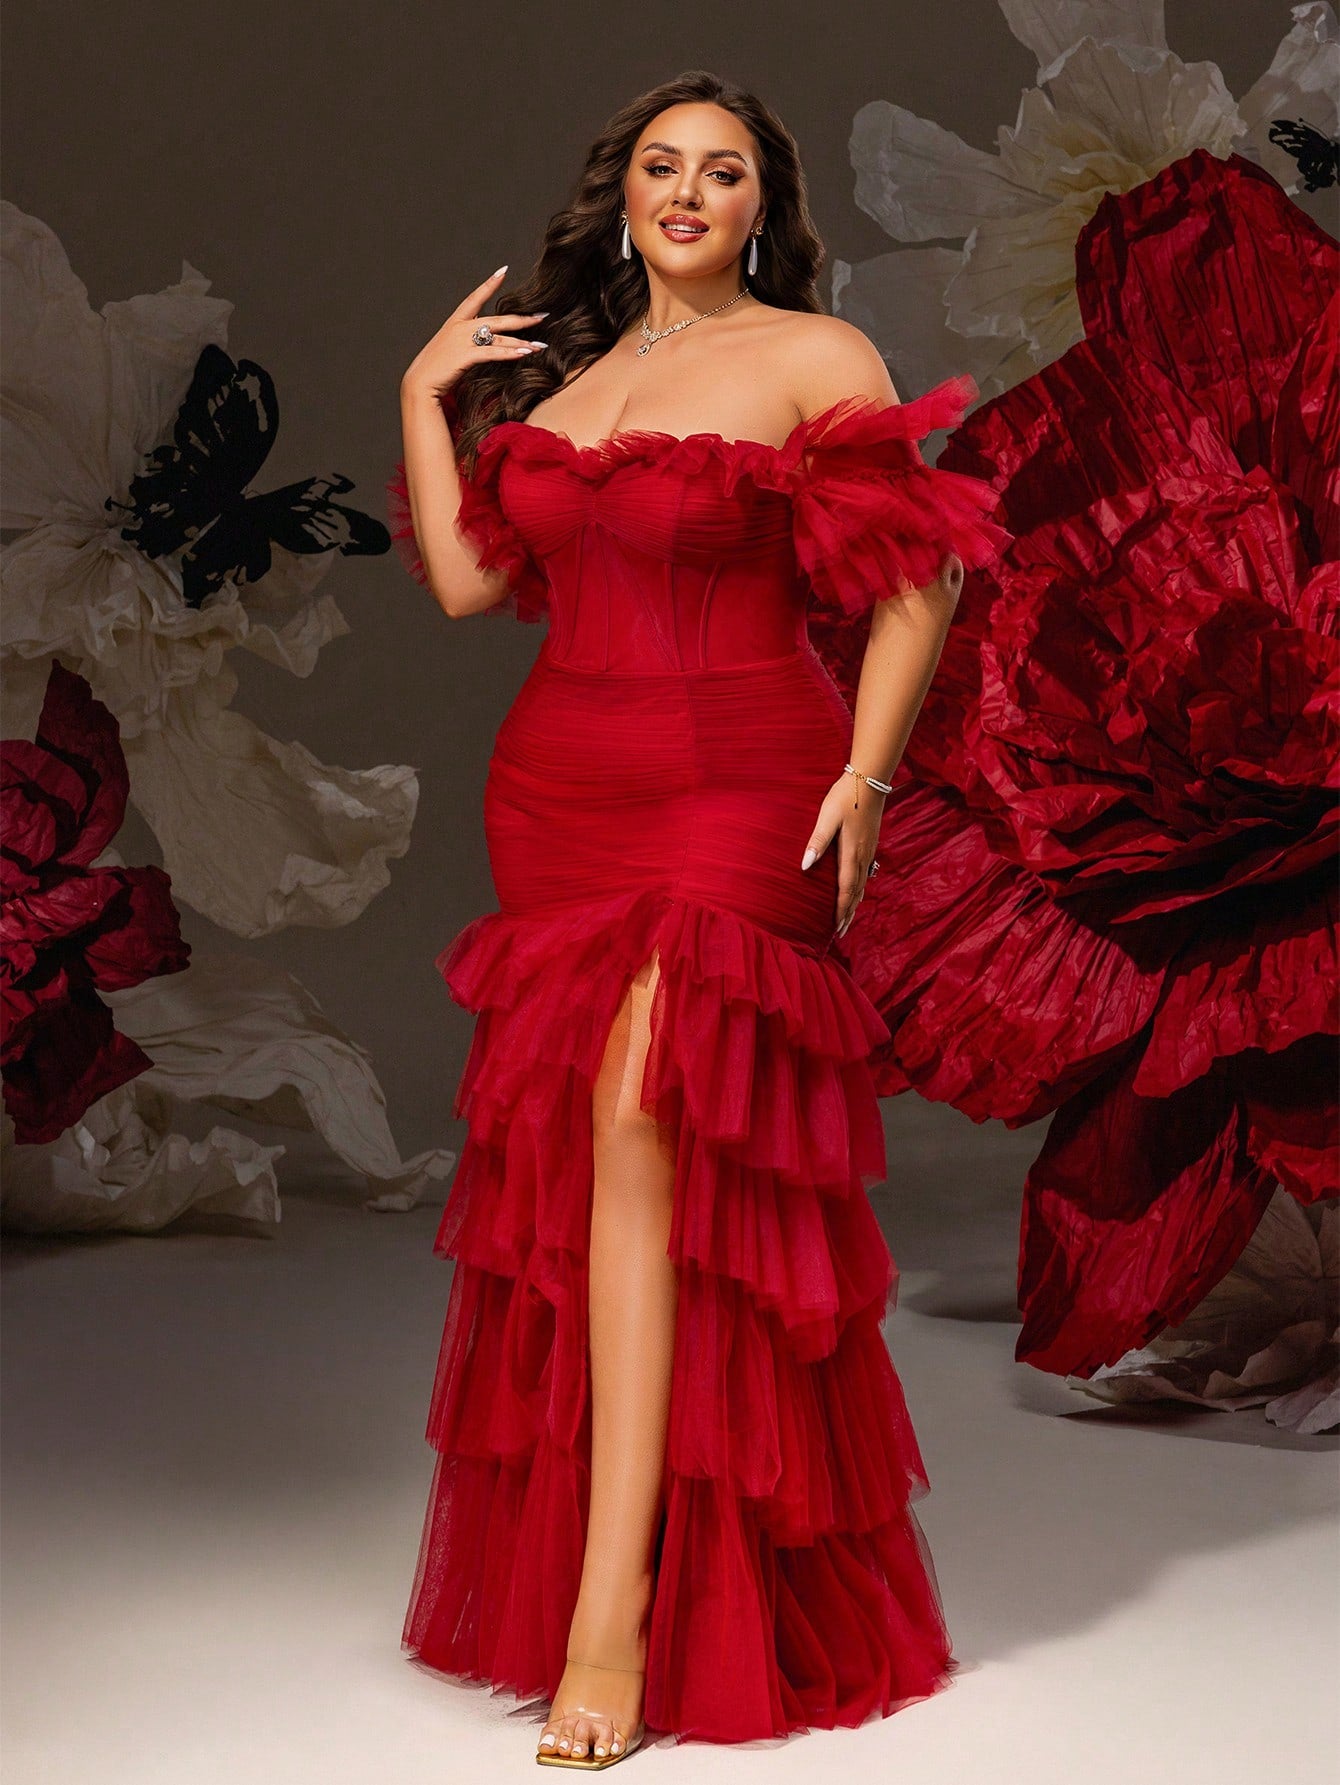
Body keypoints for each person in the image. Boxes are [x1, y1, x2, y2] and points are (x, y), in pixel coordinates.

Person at [388, 69, 1009, 1770]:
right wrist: (421, 391)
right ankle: (650, 1556)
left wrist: (868, 777)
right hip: (558, 798)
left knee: (639, 1118)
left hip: (744, 776)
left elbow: (920, 577)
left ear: (761, 208)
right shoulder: (573, 382)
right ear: (624, 196)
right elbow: (471, 584)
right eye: (661, 165)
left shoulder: (815, 356)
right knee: (608, 1173)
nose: (686, 191)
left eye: (722, 171)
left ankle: (612, 1621)